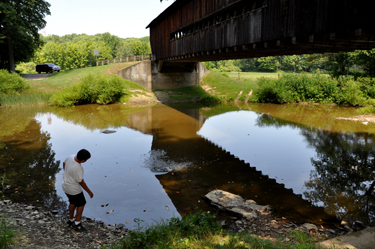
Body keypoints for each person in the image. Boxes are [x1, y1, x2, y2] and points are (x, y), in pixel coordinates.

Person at [62, 149, 94, 231]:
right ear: (83, 160)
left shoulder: (71, 157)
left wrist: (67, 173)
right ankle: (77, 223)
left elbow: (64, 163)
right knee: (81, 204)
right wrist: (89, 192)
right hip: (74, 189)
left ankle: (71, 219)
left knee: (72, 202)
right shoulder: (78, 168)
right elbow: (81, 182)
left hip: (65, 186)